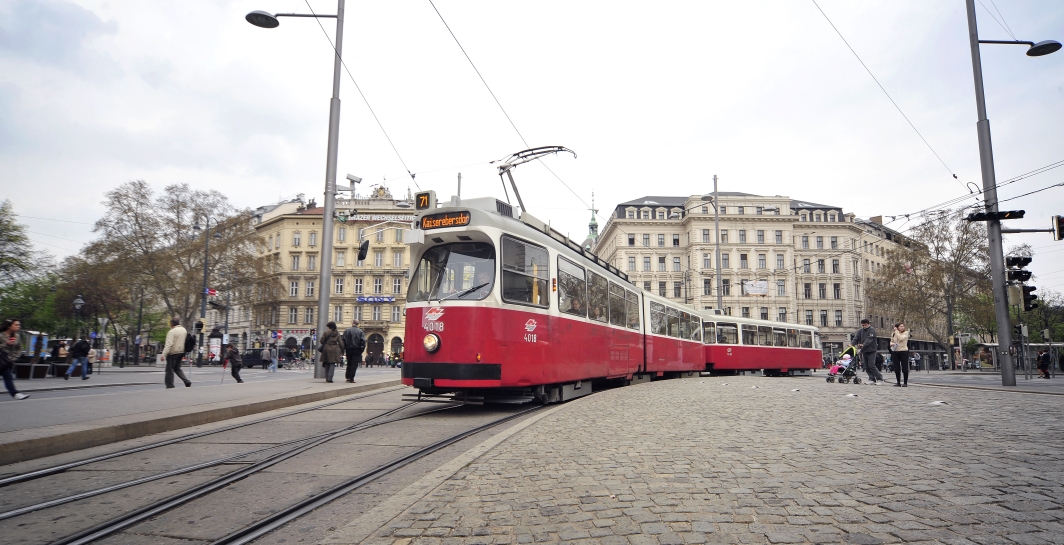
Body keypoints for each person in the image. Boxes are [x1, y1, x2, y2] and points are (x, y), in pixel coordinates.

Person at [0, 319, 29, 400]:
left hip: (7, 361)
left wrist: (14, 358)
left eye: (19, 325)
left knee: (8, 376)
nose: (18, 326)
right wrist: (5, 344)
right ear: (9, 326)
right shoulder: (1, 335)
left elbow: (20, 348)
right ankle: (15, 393)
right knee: (8, 376)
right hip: (1, 358)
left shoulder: (16, 336)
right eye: (16, 325)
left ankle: (15, 394)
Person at [161, 317, 192, 388]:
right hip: (181, 352)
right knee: (177, 368)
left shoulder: (172, 332)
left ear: (171, 324)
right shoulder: (184, 330)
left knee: (169, 370)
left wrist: (164, 354)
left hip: (173, 353)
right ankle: (187, 381)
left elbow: (169, 344)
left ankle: (170, 385)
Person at [853, 318, 883, 385]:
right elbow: (856, 338)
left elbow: (869, 339)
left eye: (865, 325)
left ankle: (880, 378)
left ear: (868, 324)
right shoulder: (860, 331)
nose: (864, 326)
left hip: (872, 350)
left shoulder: (872, 330)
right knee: (866, 366)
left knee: (872, 365)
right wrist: (852, 344)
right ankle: (871, 379)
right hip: (864, 351)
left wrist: (863, 344)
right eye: (863, 325)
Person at [890, 322, 911, 387]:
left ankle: (905, 382)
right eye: (900, 326)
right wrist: (891, 344)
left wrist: (896, 332)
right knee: (897, 367)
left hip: (903, 350)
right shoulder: (893, 333)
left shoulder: (906, 333)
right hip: (895, 351)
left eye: (903, 326)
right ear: (897, 327)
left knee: (904, 367)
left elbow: (901, 338)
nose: (902, 327)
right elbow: (891, 341)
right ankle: (898, 382)